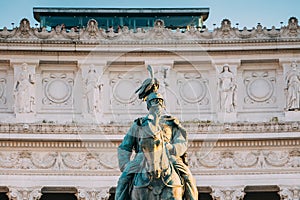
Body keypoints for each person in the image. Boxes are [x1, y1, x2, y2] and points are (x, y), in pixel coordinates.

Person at [115, 92, 198, 200]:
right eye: (154, 102)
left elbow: (181, 142)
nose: (157, 104)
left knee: (188, 176)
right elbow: (125, 146)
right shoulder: (139, 124)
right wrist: (125, 164)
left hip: (169, 156)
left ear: (163, 105)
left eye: (159, 102)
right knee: (124, 179)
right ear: (148, 105)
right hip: (142, 157)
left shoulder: (171, 123)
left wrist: (172, 148)